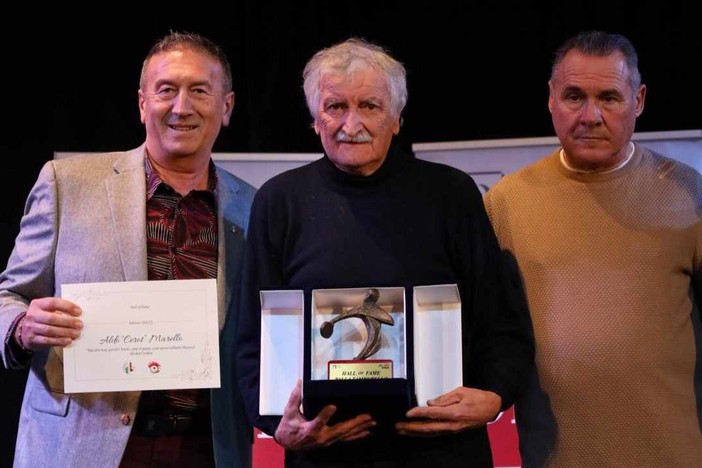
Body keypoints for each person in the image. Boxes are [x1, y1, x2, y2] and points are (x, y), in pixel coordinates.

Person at [236, 37, 534, 467]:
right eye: (335, 106)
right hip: (324, 455)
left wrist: (494, 395)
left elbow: (501, 320)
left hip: (442, 452)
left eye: (370, 106)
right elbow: (252, 340)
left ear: (396, 119)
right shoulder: (279, 201)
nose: (350, 123)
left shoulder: (450, 194)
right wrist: (275, 423)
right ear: (314, 118)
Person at [0, 31, 256, 467]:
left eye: (199, 91)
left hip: (205, 448)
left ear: (226, 107)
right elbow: (9, 296)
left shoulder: (253, 208)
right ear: (142, 103)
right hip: (83, 442)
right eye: (166, 91)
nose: (181, 107)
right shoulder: (68, 184)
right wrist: (23, 326)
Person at [484, 30, 702, 467]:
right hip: (555, 457)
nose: (590, 115)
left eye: (609, 98)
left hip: (672, 455)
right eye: (574, 97)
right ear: (550, 99)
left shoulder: (690, 195)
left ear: (638, 100)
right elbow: (486, 333)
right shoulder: (505, 203)